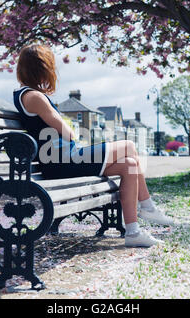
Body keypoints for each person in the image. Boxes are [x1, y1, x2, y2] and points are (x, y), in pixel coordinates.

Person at [14, 44, 173, 247]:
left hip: (62, 159)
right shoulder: (35, 97)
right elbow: (67, 132)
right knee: (129, 146)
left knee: (130, 164)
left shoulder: (28, 95)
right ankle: (148, 207)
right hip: (63, 161)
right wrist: (69, 130)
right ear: (43, 68)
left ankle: (133, 233)